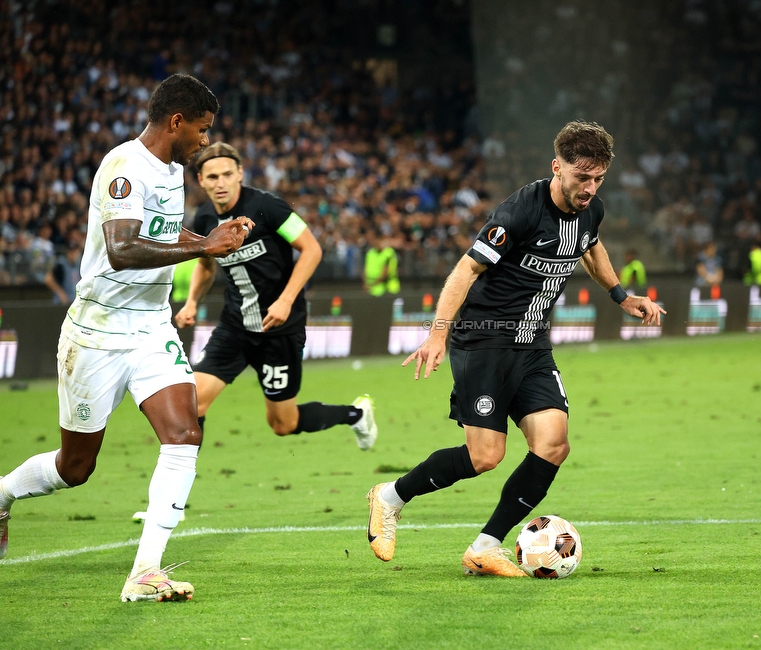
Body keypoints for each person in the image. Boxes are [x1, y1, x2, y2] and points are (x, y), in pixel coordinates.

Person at [365, 121, 664, 576]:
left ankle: (485, 547)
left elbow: (591, 247)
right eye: (581, 177)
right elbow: (464, 272)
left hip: (532, 346)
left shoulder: (591, 210)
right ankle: (390, 496)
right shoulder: (520, 211)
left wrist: (622, 296)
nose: (590, 187)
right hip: (483, 341)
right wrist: (438, 333)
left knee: (553, 443)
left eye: (598, 178)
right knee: (485, 457)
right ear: (556, 167)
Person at [0, 73, 254, 602]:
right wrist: (202, 249)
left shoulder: (167, 171)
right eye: (202, 130)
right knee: (76, 468)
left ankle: (145, 573)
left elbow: (160, 233)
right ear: (176, 121)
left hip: (150, 328)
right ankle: (3, 494)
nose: (205, 142)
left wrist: (208, 240)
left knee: (184, 433)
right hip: (96, 333)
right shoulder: (123, 166)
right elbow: (122, 247)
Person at [174, 143, 377, 447]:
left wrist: (286, 299)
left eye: (227, 174)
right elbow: (205, 264)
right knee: (192, 405)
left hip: (279, 329)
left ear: (240, 174)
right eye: (212, 177)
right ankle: (179, 485)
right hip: (234, 327)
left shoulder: (269, 207)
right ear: (200, 180)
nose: (220, 183)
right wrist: (192, 302)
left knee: (283, 423)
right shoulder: (204, 219)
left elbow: (312, 249)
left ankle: (356, 415)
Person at [362, 228, 400, 296]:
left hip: (387, 288)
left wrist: (371, 285)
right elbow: (365, 269)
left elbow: (385, 273)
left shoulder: (388, 253)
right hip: (372, 288)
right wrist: (366, 284)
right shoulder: (370, 253)